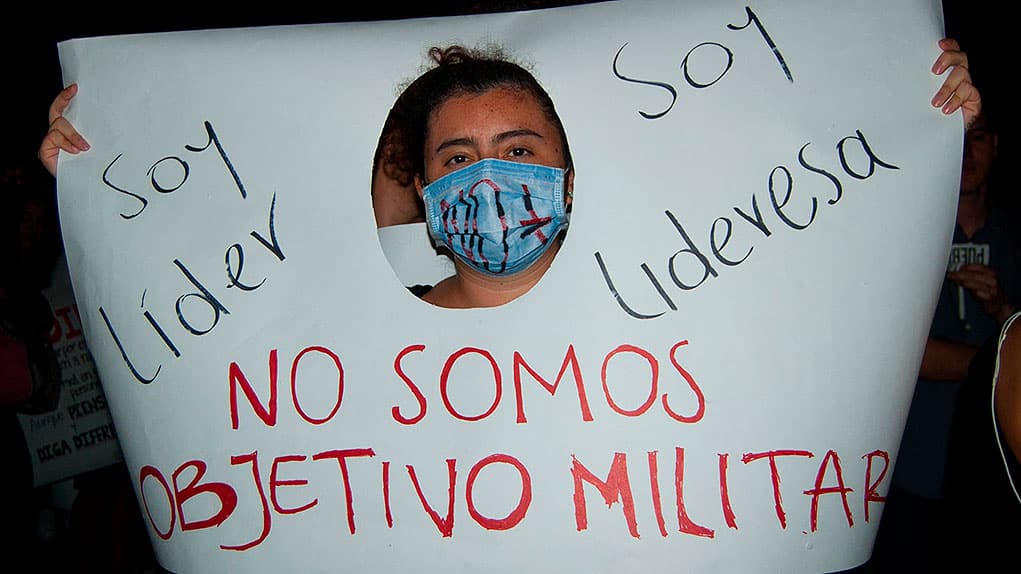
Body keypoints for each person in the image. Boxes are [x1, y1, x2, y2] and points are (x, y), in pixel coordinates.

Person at [870, 104, 1019, 571]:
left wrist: (1004, 310)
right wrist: (997, 361)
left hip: (995, 476)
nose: (968, 153)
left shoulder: (1015, 238)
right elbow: (893, 355)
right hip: (909, 471)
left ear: (995, 146)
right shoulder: (903, 239)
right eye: (959, 140)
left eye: (979, 138)